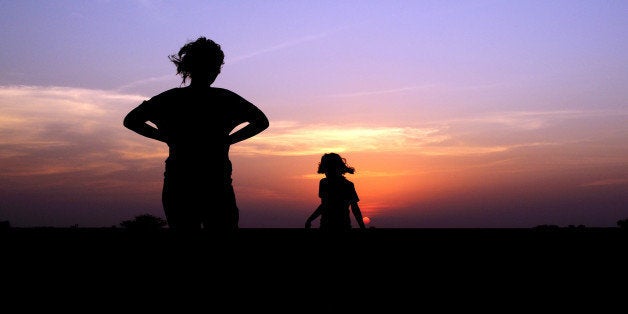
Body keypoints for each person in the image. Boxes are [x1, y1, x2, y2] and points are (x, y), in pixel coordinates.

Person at [123, 37, 269, 231]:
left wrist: (166, 137)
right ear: (215, 68)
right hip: (215, 183)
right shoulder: (226, 99)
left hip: (180, 183)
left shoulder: (170, 99)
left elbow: (131, 120)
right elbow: (262, 121)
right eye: (216, 66)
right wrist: (228, 140)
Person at [305, 153, 366, 231]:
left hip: (342, 227)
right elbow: (324, 205)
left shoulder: (347, 185)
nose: (327, 172)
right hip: (326, 226)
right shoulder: (324, 183)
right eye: (326, 169)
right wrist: (310, 219)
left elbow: (355, 208)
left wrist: (362, 227)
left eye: (329, 169)